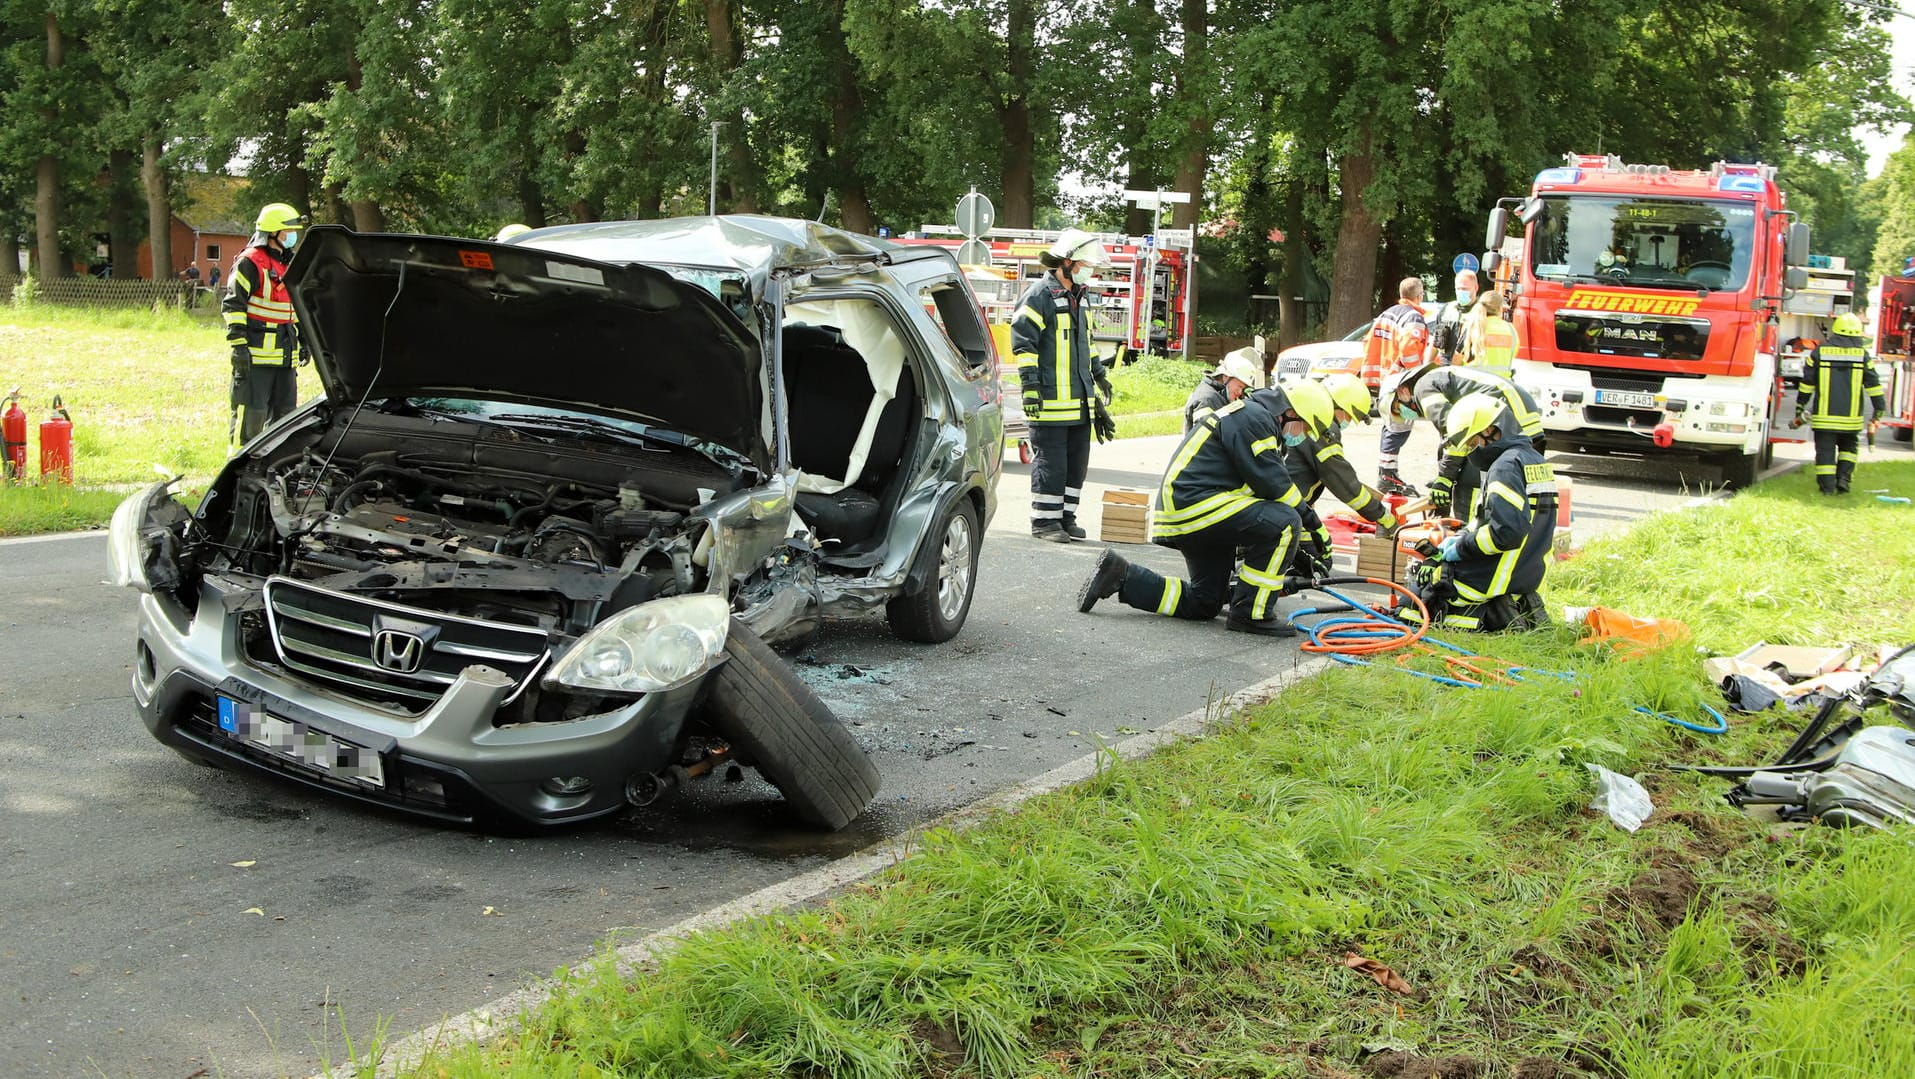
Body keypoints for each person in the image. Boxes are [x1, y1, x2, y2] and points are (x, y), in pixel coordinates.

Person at [1074, 381, 1336, 636]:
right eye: (1303, 427)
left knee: (1205, 602)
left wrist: (1298, 555)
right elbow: (1276, 487)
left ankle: (1120, 576)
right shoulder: (1255, 418)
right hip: (1198, 504)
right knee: (1286, 522)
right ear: (1290, 412)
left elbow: (1261, 497)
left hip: (1197, 508)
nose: (1300, 436)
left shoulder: (1251, 416)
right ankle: (1252, 614)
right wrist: (1315, 528)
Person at [1405, 393, 1556, 631]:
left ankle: (1487, 619)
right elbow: (1500, 521)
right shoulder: (1535, 460)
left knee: (1415, 595)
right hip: (1525, 573)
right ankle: (1513, 608)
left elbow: (1505, 533)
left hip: (1496, 576)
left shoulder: (1504, 467)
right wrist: (1460, 537)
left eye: (1472, 443)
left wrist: (1459, 549)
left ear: (1490, 431)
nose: (1471, 451)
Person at [1014, 228, 1117, 542]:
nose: (1089, 271)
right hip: (1049, 402)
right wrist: (1030, 387)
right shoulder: (1039, 295)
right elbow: (1024, 345)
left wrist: (1098, 376)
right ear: (1067, 261)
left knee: (1076, 466)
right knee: (1052, 464)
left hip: (1079, 402)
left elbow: (1086, 344)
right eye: (1084, 265)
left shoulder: (1079, 298)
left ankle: (1065, 518)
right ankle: (1045, 522)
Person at [1390, 363, 1545, 519]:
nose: (1404, 415)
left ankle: (1469, 528)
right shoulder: (1440, 377)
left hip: (1504, 413)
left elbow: (1455, 433)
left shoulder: (1423, 388)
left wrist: (1444, 479)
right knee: (1513, 480)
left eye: (1398, 409)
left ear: (1403, 391)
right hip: (1521, 410)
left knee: (1470, 478)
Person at [223, 202, 308, 451]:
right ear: (273, 233)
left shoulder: (289, 265)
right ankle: (243, 465)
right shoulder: (249, 263)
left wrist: (304, 339)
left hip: (285, 355)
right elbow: (233, 306)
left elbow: (297, 307)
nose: (293, 237)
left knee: (286, 418)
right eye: (289, 231)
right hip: (256, 356)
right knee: (254, 414)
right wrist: (239, 348)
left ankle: (277, 465)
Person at [1286, 372, 1399, 536]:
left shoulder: (1306, 413)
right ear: (1337, 405)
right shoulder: (1322, 425)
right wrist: (1384, 517)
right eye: (1349, 415)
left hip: (1287, 505)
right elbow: (1342, 481)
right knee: (1316, 553)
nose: (1348, 422)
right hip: (1283, 509)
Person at [1796, 312, 1888, 495]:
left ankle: (1827, 489)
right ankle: (1843, 480)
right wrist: (1879, 410)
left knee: (1825, 453)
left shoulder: (1819, 352)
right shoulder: (1862, 355)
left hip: (1824, 418)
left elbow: (1807, 383)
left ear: (1835, 331)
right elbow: (1874, 385)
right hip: (1851, 419)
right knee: (1848, 449)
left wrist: (1800, 406)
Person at [1363, 277, 1434, 495]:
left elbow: (1368, 343)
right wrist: (1415, 377)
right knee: (1399, 429)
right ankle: (1387, 477)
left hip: (1386, 378)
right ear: (1419, 295)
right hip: (1400, 381)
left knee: (1391, 427)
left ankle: (1387, 473)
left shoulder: (1387, 314)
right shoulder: (1413, 317)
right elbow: (1409, 349)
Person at [1184, 346, 1264, 430]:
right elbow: (1205, 439)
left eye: (1243, 388)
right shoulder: (1206, 399)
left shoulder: (1222, 395)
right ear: (1226, 376)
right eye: (1239, 386)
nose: (1240, 392)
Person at [1457, 291, 1516, 377]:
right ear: (1500, 309)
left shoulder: (1473, 326)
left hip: (1473, 385)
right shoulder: (1511, 330)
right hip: (1502, 386)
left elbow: (1458, 357)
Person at [1428, 269, 1479, 366]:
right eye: (1458, 289)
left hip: (1468, 372)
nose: (1461, 292)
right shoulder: (1447, 309)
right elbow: (1434, 343)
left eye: (1464, 289)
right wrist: (1425, 367)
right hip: (1445, 368)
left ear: (1476, 288)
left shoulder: (1481, 312)